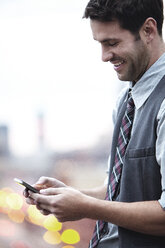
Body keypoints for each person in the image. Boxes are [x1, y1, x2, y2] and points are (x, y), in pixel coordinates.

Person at [24, 0, 165, 247]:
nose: (104, 56)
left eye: (112, 43)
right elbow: (118, 193)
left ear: (148, 30)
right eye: (100, 44)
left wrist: (86, 205)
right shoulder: (126, 100)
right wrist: (71, 197)